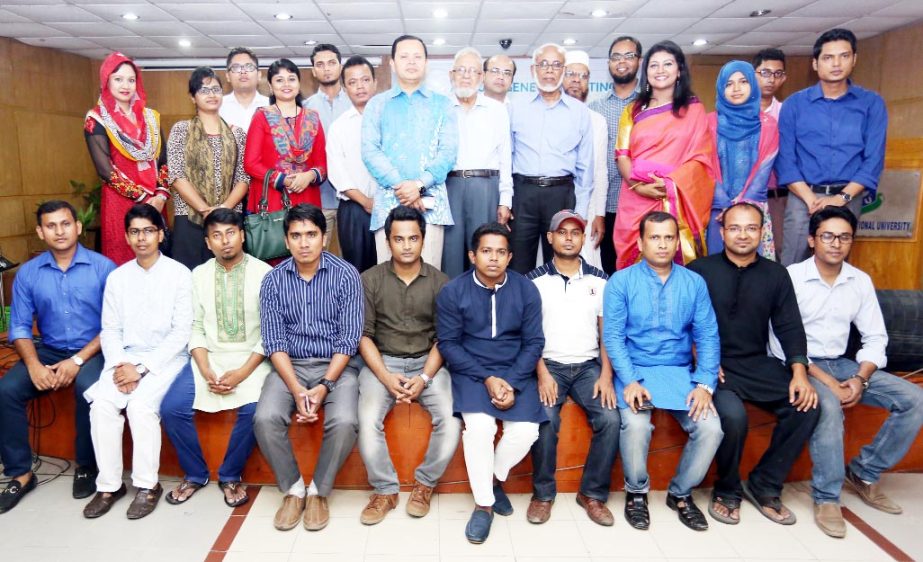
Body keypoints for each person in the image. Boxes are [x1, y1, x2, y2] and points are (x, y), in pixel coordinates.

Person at [770, 206, 923, 538]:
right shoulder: (790, 278)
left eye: (844, 237)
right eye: (827, 236)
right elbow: (780, 341)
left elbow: (875, 337)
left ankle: (865, 471)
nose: (836, 244)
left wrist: (859, 378)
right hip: (799, 364)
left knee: (914, 399)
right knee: (827, 407)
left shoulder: (859, 281)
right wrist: (827, 383)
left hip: (844, 363)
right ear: (812, 240)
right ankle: (827, 497)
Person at [687, 202, 819, 527]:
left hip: (757, 363)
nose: (742, 235)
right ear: (722, 232)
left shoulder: (776, 274)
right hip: (714, 365)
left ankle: (765, 483)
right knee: (733, 416)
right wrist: (700, 358)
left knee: (808, 406)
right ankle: (727, 489)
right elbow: (682, 322)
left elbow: (789, 326)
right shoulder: (699, 270)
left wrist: (799, 372)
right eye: (734, 228)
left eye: (750, 228)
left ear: (762, 232)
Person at [604, 211, 722, 531]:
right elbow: (613, 337)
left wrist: (704, 384)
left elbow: (708, 336)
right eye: (654, 237)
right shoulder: (621, 282)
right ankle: (637, 493)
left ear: (676, 241)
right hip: (635, 370)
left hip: (679, 371)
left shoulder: (694, 283)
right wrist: (628, 381)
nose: (662, 244)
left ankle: (680, 494)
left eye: (669, 237)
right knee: (635, 424)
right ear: (640, 242)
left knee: (711, 428)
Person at [0, 201, 116, 514]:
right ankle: (21, 473)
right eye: (51, 226)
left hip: (95, 350)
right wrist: (34, 365)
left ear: (78, 227)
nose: (59, 231)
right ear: (40, 232)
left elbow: (114, 326)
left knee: (87, 388)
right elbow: (21, 327)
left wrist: (77, 361)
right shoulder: (28, 274)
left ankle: (87, 466)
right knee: (6, 390)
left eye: (65, 224)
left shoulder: (103, 268)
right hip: (48, 351)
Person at [254, 204, 363, 532]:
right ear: (286, 241)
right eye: (296, 236)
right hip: (291, 366)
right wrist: (297, 388)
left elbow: (349, 339)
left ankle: (318, 491)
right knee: (265, 418)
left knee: (345, 421)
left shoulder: (347, 275)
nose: (304, 243)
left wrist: (324, 385)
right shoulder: (272, 281)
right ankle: (293, 488)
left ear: (324, 237)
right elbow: (274, 343)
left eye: (311, 235)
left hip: (338, 366)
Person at [436, 223, 545, 544]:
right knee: (480, 429)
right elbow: (449, 344)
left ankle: (493, 479)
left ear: (510, 257)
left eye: (500, 252)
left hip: (516, 370)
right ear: (472, 255)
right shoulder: (453, 292)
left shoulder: (526, 290)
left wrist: (510, 381)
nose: (493, 259)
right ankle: (484, 504)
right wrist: (487, 378)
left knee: (526, 432)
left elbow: (534, 342)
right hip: (472, 371)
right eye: (486, 251)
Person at [82, 203, 192, 520]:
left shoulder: (179, 275)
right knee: (102, 405)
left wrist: (141, 370)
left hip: (165, 360)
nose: (141, 238)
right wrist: (120, 366)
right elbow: (110, 329)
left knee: (140, 406)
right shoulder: (118, 278)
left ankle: (147, 486)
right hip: (123, 359)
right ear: (127, 238)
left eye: (147, 231)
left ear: (160, 234)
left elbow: (181, 333)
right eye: (134, 232)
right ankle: (110, 486)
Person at [160, 209, 273, 508]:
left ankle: (230, 474)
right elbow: (195, 327)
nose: (225, 241)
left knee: (255, 410)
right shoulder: (198, 275)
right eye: (217, 235)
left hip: (253, 360)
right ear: (207, 242)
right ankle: (195, 473)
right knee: (171, 408)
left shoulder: (265, 274)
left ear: (243, 235)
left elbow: (269, 333)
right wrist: (206, 368)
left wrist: (241, 373)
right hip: (208, 358)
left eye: (231, 233)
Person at [357, 206, 461, 525]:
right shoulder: (370, 280)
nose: (406, 245)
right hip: (382, 362)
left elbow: (444, 339)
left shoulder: (441, 282)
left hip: (428, 362)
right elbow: (363, 337)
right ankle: (385, 490)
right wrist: (386, 377)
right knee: (367, 417)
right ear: (388, 241)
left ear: (423, 240)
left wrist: (425, 377)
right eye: (398, 239)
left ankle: (424, 484)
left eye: (413, 238)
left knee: (451, 419)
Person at [526, 210, 619, 526]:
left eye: (575, 232)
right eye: (561, 232)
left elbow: (607, 333)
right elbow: (528, 335)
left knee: (610, 417)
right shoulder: (533, 281)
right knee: (547, 418)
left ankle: (592, 494)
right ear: (550, 238)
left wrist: (606, 375)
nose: (568, 237)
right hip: (548, 364)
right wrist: (541, 373)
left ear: (583, 238)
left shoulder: (601, 280)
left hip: (587, 366)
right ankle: (543, 495)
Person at [777, 28, 887, 266]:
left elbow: (873, 160)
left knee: (836, 263)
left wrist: (841, 197)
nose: (836, 64)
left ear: (854, 59)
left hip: (848, 196)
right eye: (828, 58)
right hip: (802, 198)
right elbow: (786, 159)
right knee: (792, 266)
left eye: (844, 56)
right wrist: (810, 199)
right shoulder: (794, 105)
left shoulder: (872, 104)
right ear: (815, 64)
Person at [614, 41, 716, 270]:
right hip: (635, 197)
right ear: (646, 72)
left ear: (679, 70)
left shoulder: (694, 110)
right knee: (633, 264)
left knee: (675, 261)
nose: (660, 70)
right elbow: (622, 156)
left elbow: (702, 160)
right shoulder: (633, 110)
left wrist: (671, 184)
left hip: (677, 199)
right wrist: (639, 187)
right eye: (654, 65)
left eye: (667, 64)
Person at [362, 35, 458, 269]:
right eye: (404, 56)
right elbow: (369, 151)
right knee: (387, 285)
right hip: (388, 204)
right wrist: (404, 186)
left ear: (426, 63)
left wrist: (419, 185)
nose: (411, 62)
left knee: (428, 281)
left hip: (431, 206)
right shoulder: (377, 104)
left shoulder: (442, 104)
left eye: (417, 57)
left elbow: (448, 153)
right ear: (393, 64)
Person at [509, 43, 594, 274]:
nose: (549, 70)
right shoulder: (515, 108)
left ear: (563, 70)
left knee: (561, 263)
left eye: (556, 65)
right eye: (543, 64)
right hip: (522, 194)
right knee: (518, 265)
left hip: (561, 195)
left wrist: (582, 212)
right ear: (533, 70)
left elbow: (586, 167)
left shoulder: (579, 112)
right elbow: (506, 158)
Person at [84, 52, 168, 265]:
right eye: (118, 79)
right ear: (106, 81)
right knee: (123, 257)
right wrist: (143, 199)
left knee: (157, 259)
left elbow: (163, 160)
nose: (126, 85)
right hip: (122, 202)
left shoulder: (150, 117)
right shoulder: (96, 119)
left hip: (156, 200)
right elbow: (106, 170)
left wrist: (160, 196)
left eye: (131, 80)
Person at [167, 67, 249, 270]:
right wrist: (205, 210)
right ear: (193, 97)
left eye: (216, 89)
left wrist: (224, 208)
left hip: (229, 218)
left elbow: (243, 178)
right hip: (189, 218)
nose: (211, 95)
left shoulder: (236, 134)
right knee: (189, 277)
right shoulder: (181, 130)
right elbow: (176, 175)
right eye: (204, 90)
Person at [443, 47, 513, 279]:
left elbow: (505, 157)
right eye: (460, 70)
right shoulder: (440, 108)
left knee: (484, 253)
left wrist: (505, 200)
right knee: (450, 256)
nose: (466, 75)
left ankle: (484, 310)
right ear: (451, 75)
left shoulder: (496, 110)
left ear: (481, 77)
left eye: (472, 70)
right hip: (449, 186)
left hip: (486, 187)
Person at [705, 61, 779, 258]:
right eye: (729, 84)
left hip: (753, 208)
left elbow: (764, 168)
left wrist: (741, 205)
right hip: (717, 210)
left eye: (743, 82)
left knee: (753, 269)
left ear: (753, 85)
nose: (736, 89)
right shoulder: (709, 123)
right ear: (721, 88)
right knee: (717, 268)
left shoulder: (767, 125)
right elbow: (706, 166)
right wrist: (725, 205)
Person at [244, 59, 327, 218]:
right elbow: (251, 163)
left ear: (298, 83)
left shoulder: (312, 118)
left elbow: (322, 163)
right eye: (279, 80)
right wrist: (283, 180)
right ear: (270, 86)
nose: (286, 84)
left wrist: (309, 176)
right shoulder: (262, 117)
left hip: (307, 196)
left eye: (291, 79)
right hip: (273, 198)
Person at [590, 36, 641, 274]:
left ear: (639, 61)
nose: (622, 62)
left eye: (629, 56)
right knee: (609, 270)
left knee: (641, 269)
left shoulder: (649, 105)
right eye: (616, 57)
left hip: (642, 203)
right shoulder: (595, 109)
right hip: (608, 205)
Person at [327, 55, 379, 273]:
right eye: (352, 82)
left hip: (387, 205)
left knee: (387, 270)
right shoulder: (338, 127)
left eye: (365, 80)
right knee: (356, 271)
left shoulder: (388, 120)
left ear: (375, 83)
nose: (360, 87)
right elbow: (337, 173)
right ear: (344, 88)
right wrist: (366, 202)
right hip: (354, 209)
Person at [305, 44, 354, 251]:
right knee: (315, 258)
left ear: (340, 67)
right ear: (314, 71)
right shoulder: (306, 107)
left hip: (353, 199)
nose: (326, 69)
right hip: (319, 199)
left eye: (332, 63)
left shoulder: (356, 104)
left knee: (352, 261)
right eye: (320, 64)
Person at [563, 50, 609, 270]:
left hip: (588, 206)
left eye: (582, 76)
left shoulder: (597, 121)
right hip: (555, 199)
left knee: (587, 261)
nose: (576, 80)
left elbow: (600, 170)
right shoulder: (549, 116)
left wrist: (599, 214)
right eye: (571, 74)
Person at [752, 48, 788, 249]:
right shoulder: (736, 114)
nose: (771, 79)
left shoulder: (787, 113)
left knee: (780, 254)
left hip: (777, 199)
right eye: (765, 73)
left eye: (778, 74)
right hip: (742, 197)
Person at [220, 47, 269, 130]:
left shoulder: (272, 106)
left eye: (249, 67)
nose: (243, 72)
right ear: (228, 76)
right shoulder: (217, 107)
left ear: (259, 75)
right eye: (236, 67)